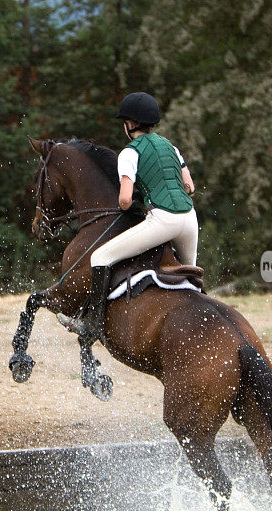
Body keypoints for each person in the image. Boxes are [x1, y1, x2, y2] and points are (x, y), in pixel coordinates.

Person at [76, 91, 199, 343]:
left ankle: (92, 322)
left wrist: (134, 202)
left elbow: (123, 199)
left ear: (129, 124)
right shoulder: (172, 147)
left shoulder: (129, 153)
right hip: (189, 220)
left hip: (163, 221)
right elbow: (190, 187)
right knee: (192, 277)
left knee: (100, 258)